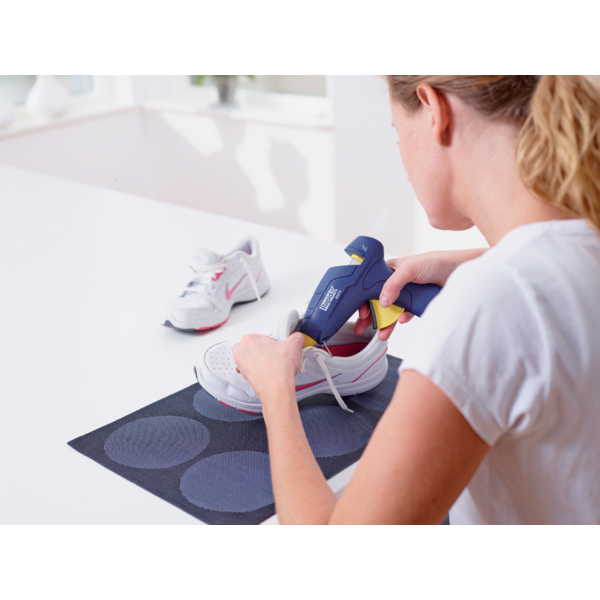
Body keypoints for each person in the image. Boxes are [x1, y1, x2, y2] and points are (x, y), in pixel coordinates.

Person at [233, 75, 600, 525]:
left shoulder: (488, 307)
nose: (401, 155)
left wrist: (276, 392)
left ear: (433, 110)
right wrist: (471, 263)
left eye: (396, 132)